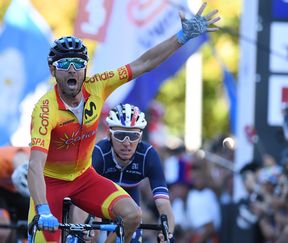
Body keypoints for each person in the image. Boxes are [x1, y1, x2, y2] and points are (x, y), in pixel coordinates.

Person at [27, 3, 220, 242]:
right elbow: (35, 166)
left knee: (132, 216)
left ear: (86, 68)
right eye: (64, 65)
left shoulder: (98, 85)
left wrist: (181, 38)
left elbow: (144, 63)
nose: (72, 71)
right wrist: (43, 209)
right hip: (51, 184)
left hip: (84, 178)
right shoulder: (45, 110)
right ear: (52, 70)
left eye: (78, 64)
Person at [92, 103, 175, 242]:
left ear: (141, 137)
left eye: (133, 136)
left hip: (131, 195)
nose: (127, 143)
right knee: (89, 233)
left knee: (133, 236)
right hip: (101, 197)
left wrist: (169, 232)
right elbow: (84, 194)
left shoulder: (148, 155)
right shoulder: (100, 152)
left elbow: (163, 204)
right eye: (120, 135)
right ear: (109, 135)